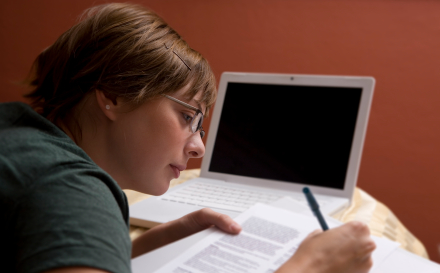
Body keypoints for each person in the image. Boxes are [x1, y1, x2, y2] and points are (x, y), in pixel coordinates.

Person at [0, 3, 375, 273]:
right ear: (112, 96)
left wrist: (138, 249)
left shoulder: (18, 131)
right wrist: (310, 266)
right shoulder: (70, 188)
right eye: (186, 117)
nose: (198, 148)